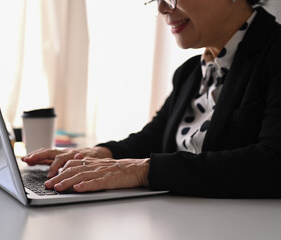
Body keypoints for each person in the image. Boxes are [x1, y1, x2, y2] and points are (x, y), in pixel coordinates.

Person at [22, 0, 281, 198]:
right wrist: (101, 153)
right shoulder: (191, 71)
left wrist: (142, 170)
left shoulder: (274, 52)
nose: (162, 8)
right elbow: (154, 138)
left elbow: (271, 163)